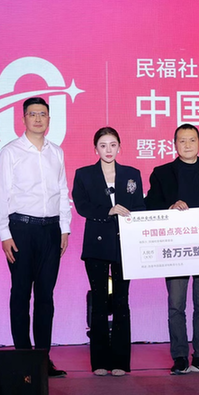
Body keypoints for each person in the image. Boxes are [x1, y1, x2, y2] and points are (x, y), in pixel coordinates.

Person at [0, 97, 71, 378]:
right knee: (21, 294)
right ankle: (23, 358)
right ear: (23, 118)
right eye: (32, 114)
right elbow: (1, 194)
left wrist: (64, 227)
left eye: (43, 114)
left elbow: (62, 191)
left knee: (46, 296)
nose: (38, 119)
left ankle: (42, 358)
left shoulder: (56, 152)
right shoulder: (10, 152)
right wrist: (4, 233)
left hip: (51, 230)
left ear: (49, 119)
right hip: (21, 230)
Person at [144, 123, 199, 375]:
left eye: (192, 140)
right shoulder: (161, 172)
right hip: (175, 248)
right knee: (176, 306)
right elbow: (149, 205)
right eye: (182, 140)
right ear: (174, 144)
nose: (187, 145)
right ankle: (179, 356)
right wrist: (168, 207)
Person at [72, 127, 146, 377]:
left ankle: (121, 362)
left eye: (113, 145)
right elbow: (82, 206)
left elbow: (140, 206)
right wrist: (108, 210)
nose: (108, 150)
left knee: (122, 301)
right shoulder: (84, 174)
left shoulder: (131, 174)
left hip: (126, 244)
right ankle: (100, 362)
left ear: (119, 147)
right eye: (103, 145)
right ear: (95, 149)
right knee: (100, 301)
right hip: (97, 244)